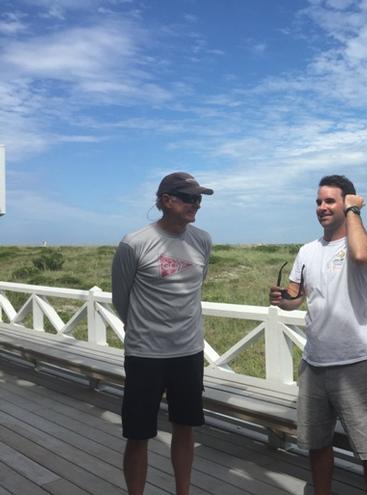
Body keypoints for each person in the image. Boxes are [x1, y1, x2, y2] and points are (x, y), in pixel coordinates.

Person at [269, 175, 367, 495]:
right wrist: (284, 299)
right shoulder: (307, 251)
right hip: (314, 363)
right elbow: (297, 298)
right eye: (319, 202)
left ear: (347, 203)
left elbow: (363, 258)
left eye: (330, 201)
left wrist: (355, 212)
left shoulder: (364, 242)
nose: (322, 207)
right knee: (317, 445)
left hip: (354, 362)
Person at [112, 172, 214, 495]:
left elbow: (196, 288)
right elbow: (121, 298)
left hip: (188, 353)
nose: (195, 204)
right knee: (138, 434)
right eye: (188, 198)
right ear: (166, 200)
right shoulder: (135, 243)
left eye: (199, 199)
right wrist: (143, 330)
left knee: (185, 428)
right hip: (145, 355)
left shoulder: (202, 240)